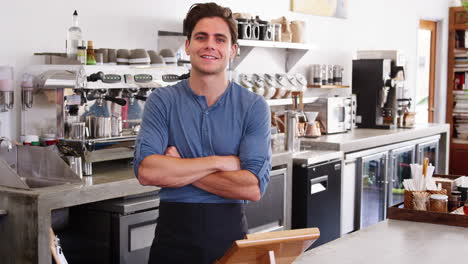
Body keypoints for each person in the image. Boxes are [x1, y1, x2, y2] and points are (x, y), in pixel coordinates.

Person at [133, 2, 272, 264]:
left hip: (229, 237)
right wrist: (220, 162)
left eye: (220, 39)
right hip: (172, 237)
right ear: (187, 45)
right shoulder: (162, 101)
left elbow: (253, 187)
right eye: (201, 37)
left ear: (233, 51)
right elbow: (147, 171)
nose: (210, 45)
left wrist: (177, 168)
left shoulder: (253, 106)